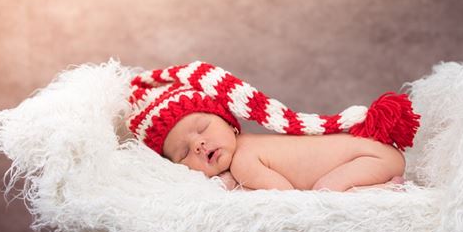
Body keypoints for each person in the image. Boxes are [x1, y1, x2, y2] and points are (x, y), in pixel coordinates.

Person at [127, 61, 420, 192]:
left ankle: (384, 189)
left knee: (326, 191)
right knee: (327, 187)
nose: (198, 144)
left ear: (230, 123)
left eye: (202, 127)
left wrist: (235, 189)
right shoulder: (249, 146)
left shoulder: (244, 161)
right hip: (375, 153)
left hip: (371, 158)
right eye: (183, 153)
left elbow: (282, 197)